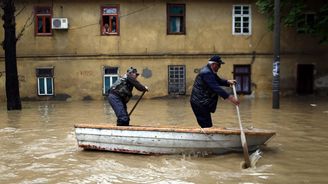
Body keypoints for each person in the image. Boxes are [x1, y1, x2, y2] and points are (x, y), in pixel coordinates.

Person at [190, 55, 240, 128]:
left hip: (202, 102)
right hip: (199, 103)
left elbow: (218, 81)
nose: (220, 67)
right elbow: (215, 87)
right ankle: (207, 137)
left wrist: (228, 82)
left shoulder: (210, 71)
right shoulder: (206, 73)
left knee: (207, 125)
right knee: (206, 125)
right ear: (213, 64)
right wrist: (230, 97)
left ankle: (208, 136)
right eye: (219, 65)